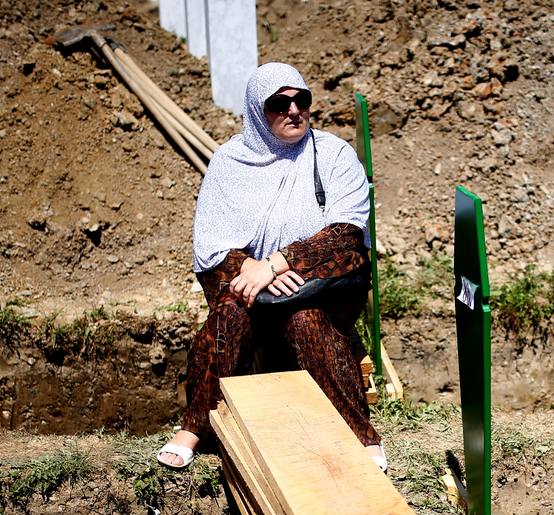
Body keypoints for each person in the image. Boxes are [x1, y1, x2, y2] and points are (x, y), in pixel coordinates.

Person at [157, 62, 385, 470]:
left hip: (322, 288)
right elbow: (212, 248)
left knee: (306, 319)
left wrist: (278, 264)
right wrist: (253, 272)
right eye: (279, 103)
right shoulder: (229, 163)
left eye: (302, 100)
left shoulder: (333, 154)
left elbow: (346, 234)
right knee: (229, 313)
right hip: (255, 291)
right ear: (257, 112)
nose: (294, 110)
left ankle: (360, 433)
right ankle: (194, 426)